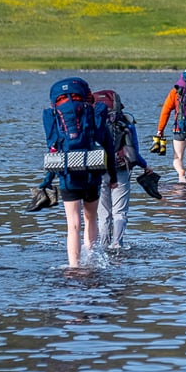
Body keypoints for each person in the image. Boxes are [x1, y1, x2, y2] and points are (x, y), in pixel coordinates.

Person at [41, 77, 117, 268]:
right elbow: (108, 146)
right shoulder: (93, 113)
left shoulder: (55, 118)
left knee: (73, 225)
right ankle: (91, 260)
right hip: (92, 174)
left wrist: (47, 181)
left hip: (68, 175)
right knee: (91, 218)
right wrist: (113, 177)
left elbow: (53, 149)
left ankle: (74, 266)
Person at [93, 89, 162, 250]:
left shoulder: (91, 124)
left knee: (103, 214)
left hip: (98, 171)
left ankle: (102, 247)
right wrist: (145, 166)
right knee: (120, 212)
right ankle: (117, 244)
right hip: (120, 170)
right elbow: (133, 152)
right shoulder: (126, 124)